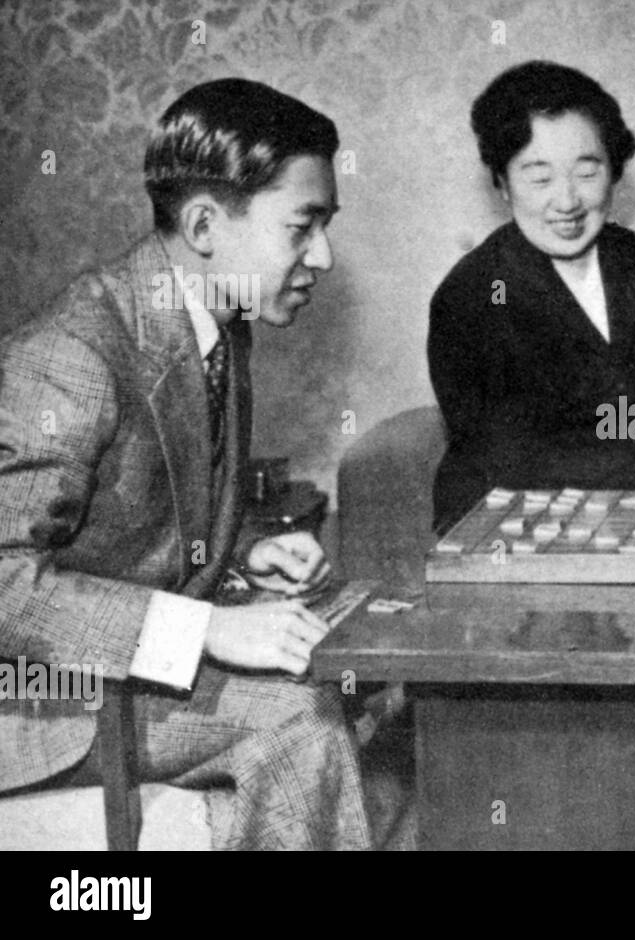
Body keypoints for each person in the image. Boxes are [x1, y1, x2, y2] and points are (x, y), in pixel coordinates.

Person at [0, 79, 375, 849]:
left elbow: (136, 518)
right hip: (46, 702)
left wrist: (244, 550)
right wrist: (208, 628)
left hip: (125, 676)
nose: (324, 257)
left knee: (360, 671)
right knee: (300, 725)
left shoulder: (221, 318)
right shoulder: (72, 354)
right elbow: (5, 583)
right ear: (206, 224)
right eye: (303, 226)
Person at [427, 60, 635, 528]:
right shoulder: (474, 295)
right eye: (538, 178)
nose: (567, 201)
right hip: (511, 528)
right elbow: (508, 455)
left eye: (587, 172)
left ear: (615, 171)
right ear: (501, 183)